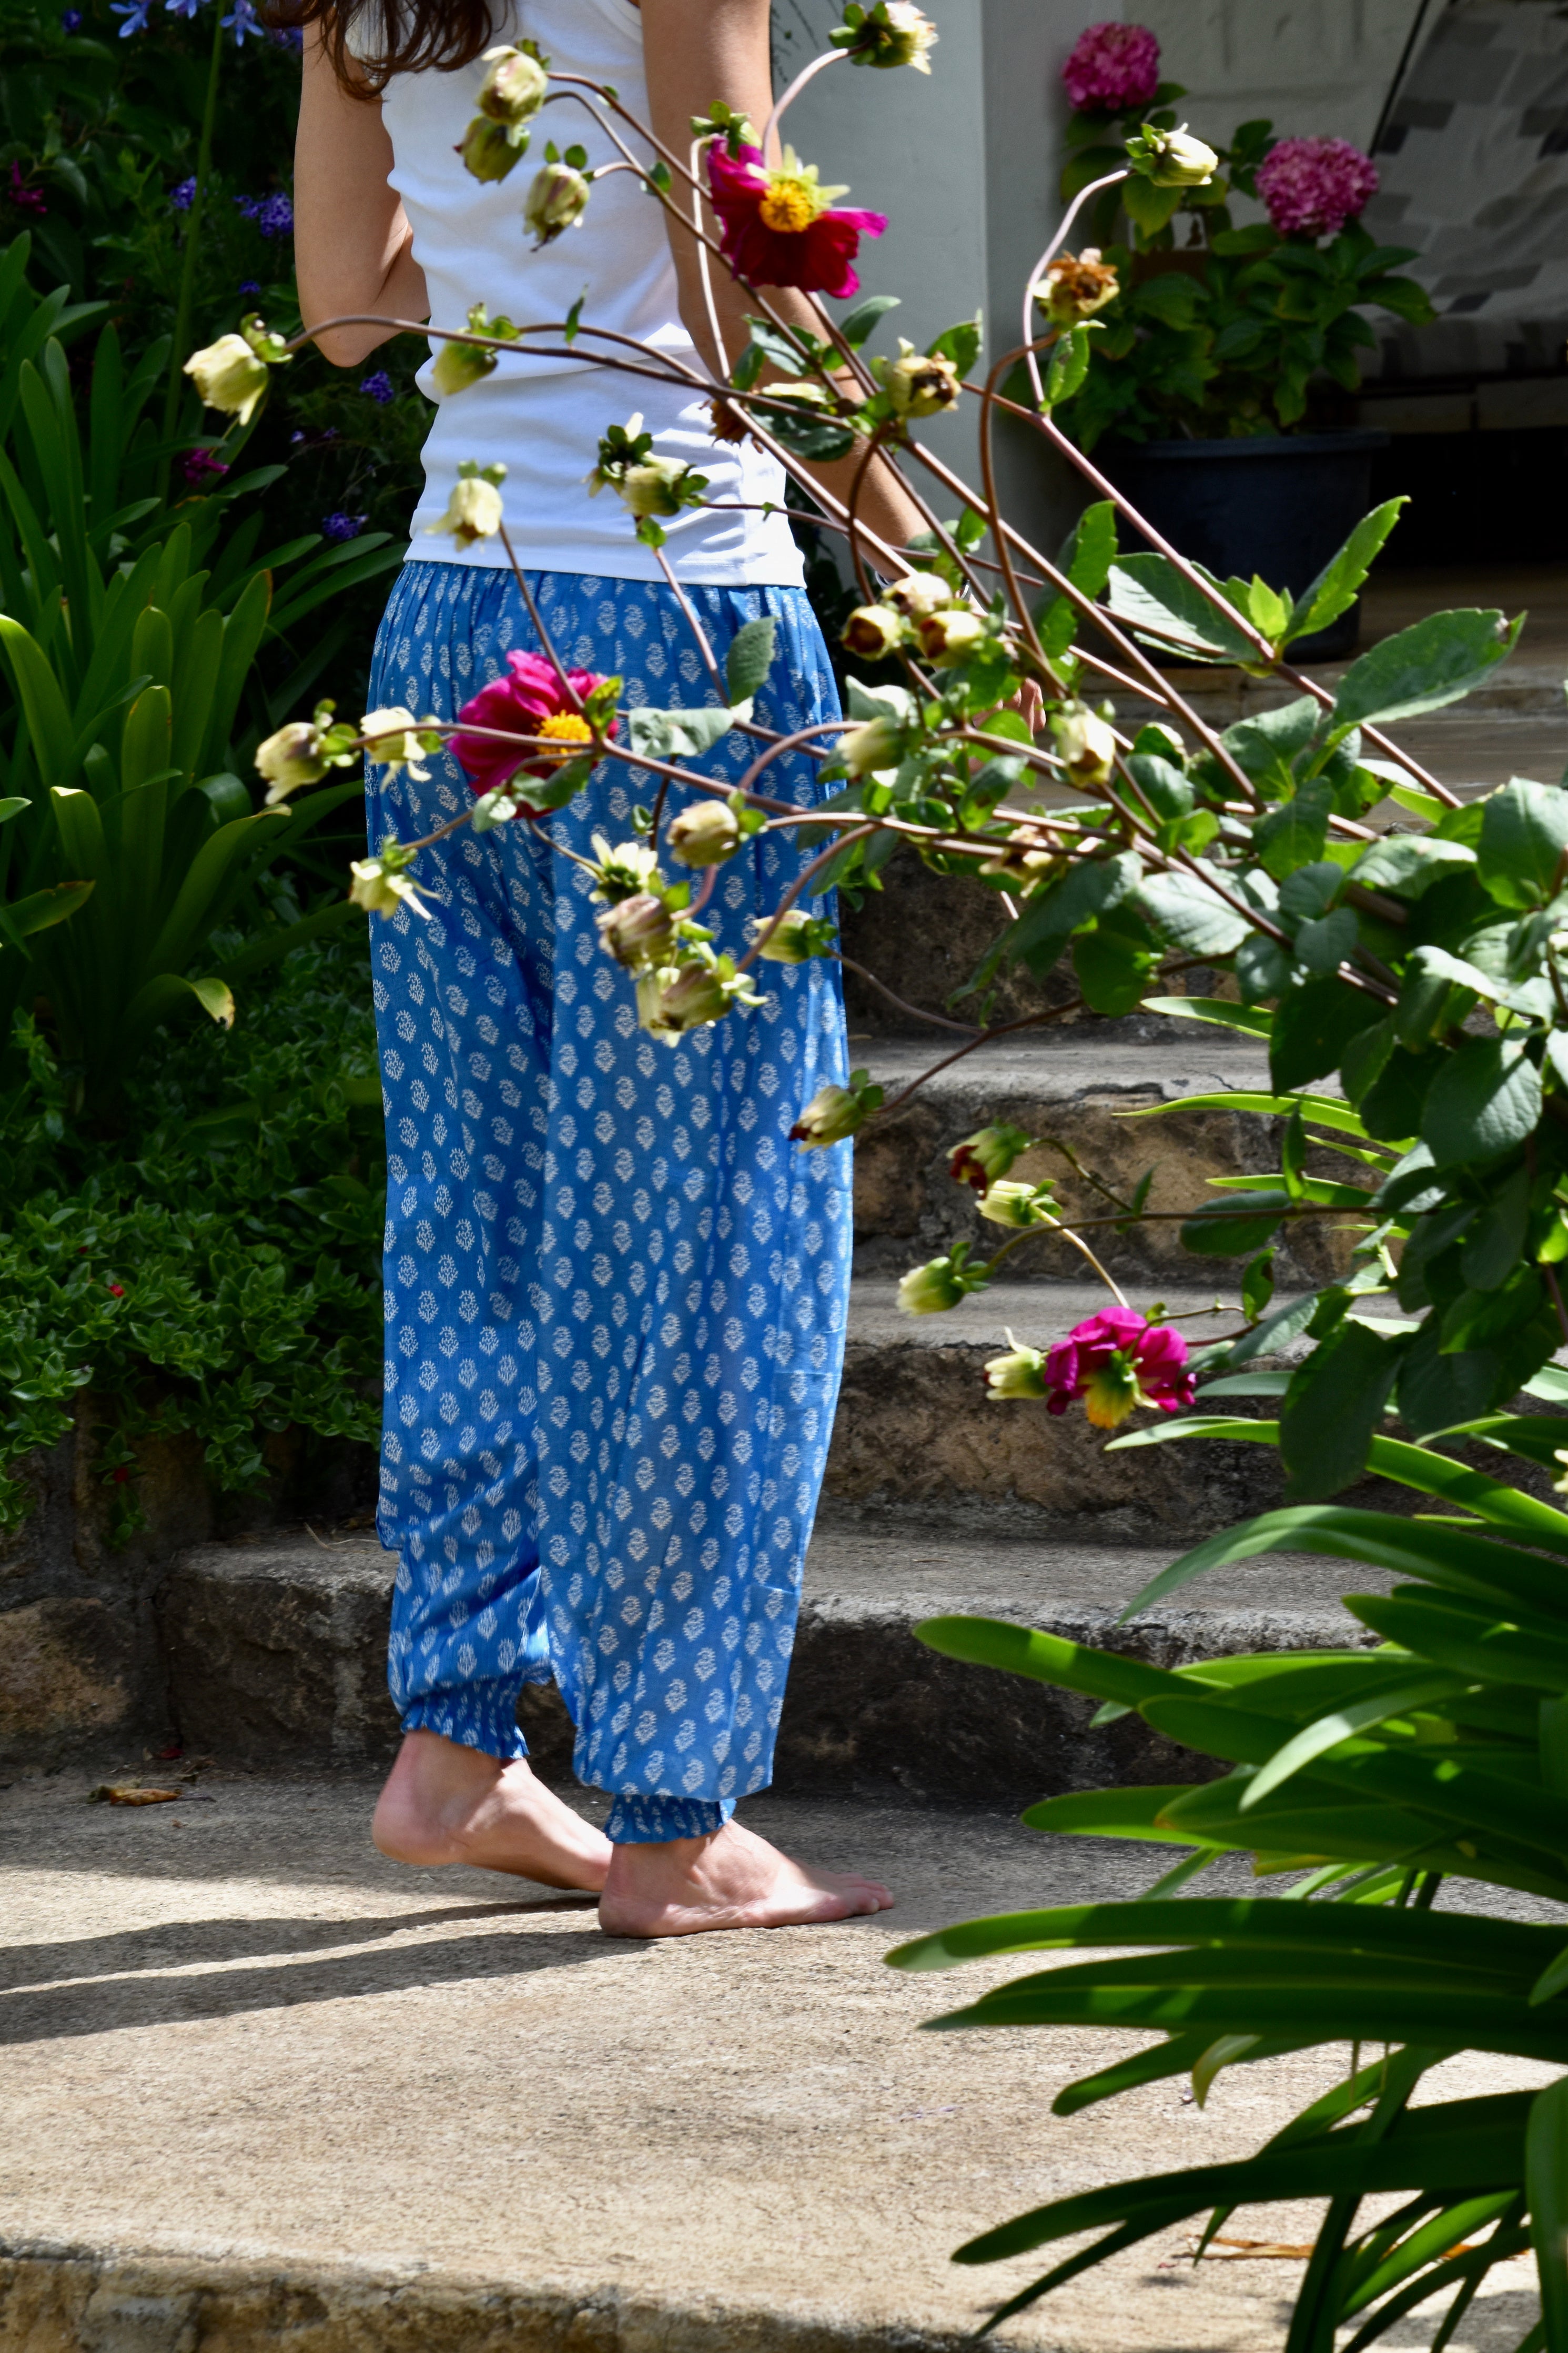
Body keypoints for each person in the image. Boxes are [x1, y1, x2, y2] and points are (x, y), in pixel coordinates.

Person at [291, 0, 917, 1934]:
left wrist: (507, 241)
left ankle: (457, 1752)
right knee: (712, 1227)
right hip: (676, 636)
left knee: (472, 1208)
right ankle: (674, 1821)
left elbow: (345, 317)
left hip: (445, 632)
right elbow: (746, 293)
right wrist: (908, 544)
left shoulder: (369, 2)